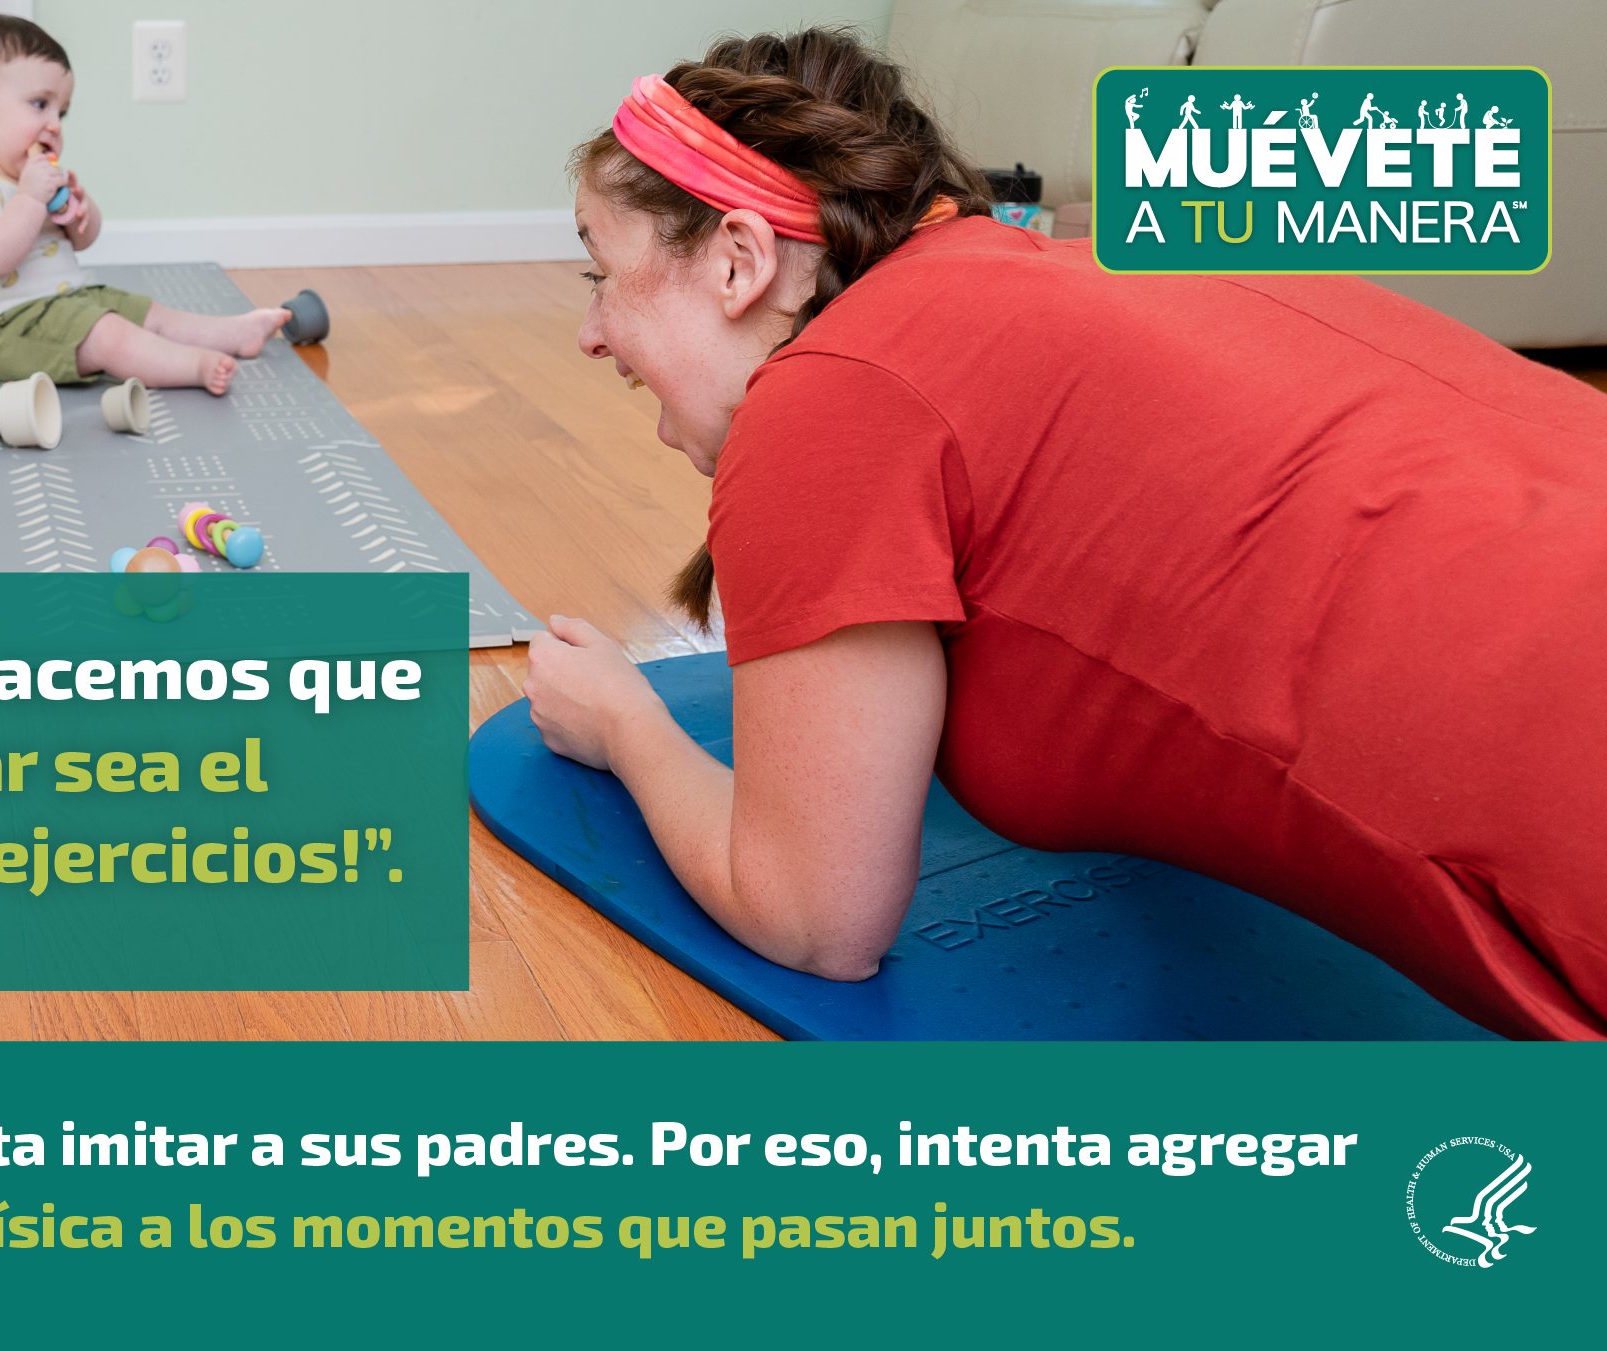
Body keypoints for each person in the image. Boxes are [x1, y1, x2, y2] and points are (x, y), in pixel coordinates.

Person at [527, 30, 1607, 1040]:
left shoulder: (828, 396)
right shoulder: (1094, 265)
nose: (588, 333)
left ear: (737, 259)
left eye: (599, 274)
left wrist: (627, 728)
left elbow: (817, 918)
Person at [0, 15, 290, 397]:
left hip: (62, 302)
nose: (55, 125)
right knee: (108, 333)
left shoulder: (31, 177)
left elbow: (84, 240)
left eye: (62, 111)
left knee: (142, 312)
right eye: (40, 104)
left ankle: (235, 333)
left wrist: (79, 214)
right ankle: (193, 365)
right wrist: (29, 199)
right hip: (0, 329)